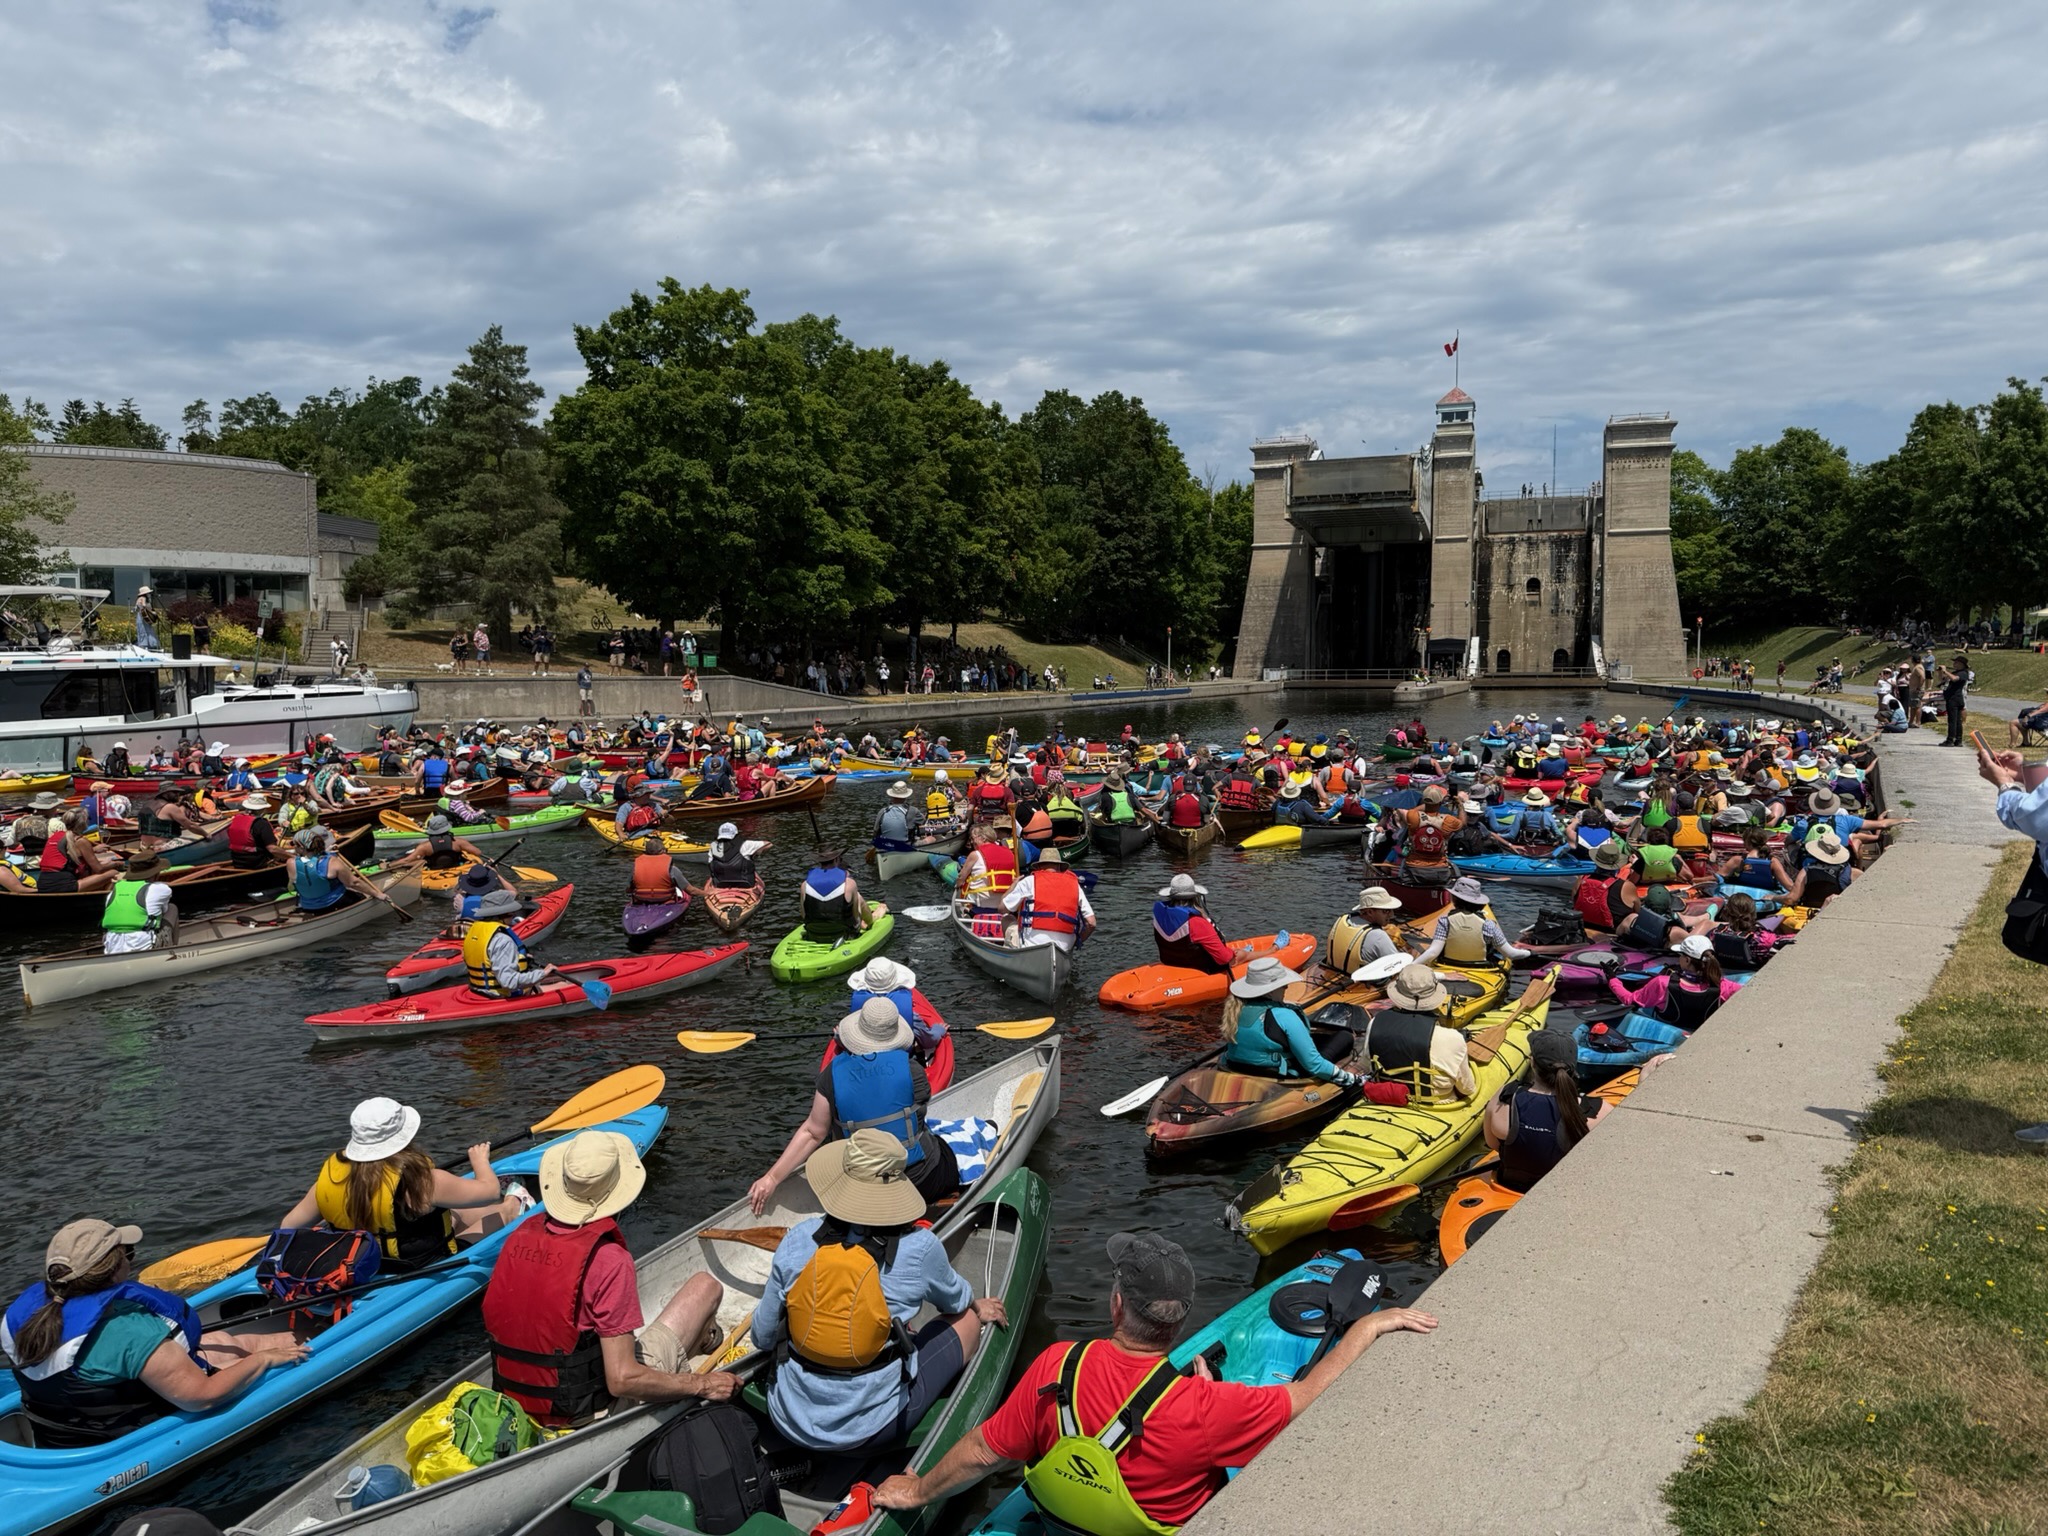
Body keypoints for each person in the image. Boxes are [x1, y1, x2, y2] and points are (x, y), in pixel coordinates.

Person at [873, 1232, 1436, 1526]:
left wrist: (918, 1490)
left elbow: (979, 1453)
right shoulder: (1209, 1406)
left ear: (1117, 1305)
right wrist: (1369, 1328)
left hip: (1062, 1520)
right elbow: (1308, 1395)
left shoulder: (1056, 1364)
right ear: (1181, 1320)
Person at [749, 1129, 1003, 1457]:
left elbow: (762, 1337)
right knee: (967, 1318)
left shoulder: (798, 1238)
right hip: (872, 1429)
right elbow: (956, 1299)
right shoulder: (920, 1247)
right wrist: (977, 1307)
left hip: (788, 1414)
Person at [482, 1127, 734, 1428]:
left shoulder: (519, 1237)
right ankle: (705, 1338)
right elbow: (622, 1380)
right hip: (585, 1414)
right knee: (705, 1287)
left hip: (513, 1398)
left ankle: (702, 1338)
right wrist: (702, 1385)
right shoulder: (610, 1260)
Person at [1, 1218, 307, 1446]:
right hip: (122, 1433)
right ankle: (309, 1338)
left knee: (220, 1342)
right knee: (239, 1353)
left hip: (58, 1428)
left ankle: (290, 1339)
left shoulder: (26, 1316)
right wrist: (263, 1360)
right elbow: (202, 1398)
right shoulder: (127, 1330)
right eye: (127, 1254)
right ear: (116, 1270)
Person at [750, 996, 962, 1214]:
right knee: (942, 1149)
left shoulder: (831, 1075)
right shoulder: (913, 1071)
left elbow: (813, 1133)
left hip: (861, 1188)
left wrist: (771, 1178)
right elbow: (919, 1110)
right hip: (918, 1180)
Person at [279, 1097, 528, 1264]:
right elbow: (490, 1190)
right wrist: (480, 1161)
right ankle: (515, 1205)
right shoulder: (422, 1182)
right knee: (502, 1208)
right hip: (417, 1264)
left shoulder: (330, 1180)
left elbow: (289, 1226)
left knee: (454, 1214)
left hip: (359, 1261)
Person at [1484, 1028, 1614, 1192]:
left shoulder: (1505, 1098)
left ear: (1532, 1063)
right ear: (1573, 1066)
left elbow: (1493, 1144)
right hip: (1561, 1194)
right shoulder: (1599, 1111)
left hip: (1509, 1187)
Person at [1220, 956, 1361, 1086]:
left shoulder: (1235, 1008)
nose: (1287, 987)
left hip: (1238, 1066)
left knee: (1318, 1038)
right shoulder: (1284, 1015)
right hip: (1279, 1072)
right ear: (1269, 991)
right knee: (1344, 1036)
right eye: (1283, 985)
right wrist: (1353, 1079)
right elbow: (1314, 1065)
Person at [1367, 965, 1478, 1101]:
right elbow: (1467, 1088)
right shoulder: (1453, 1038)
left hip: (1386, 1096)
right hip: (1436, 1105)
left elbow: (1368, 1064)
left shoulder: (1374, 1023)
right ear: (1435, 995)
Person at [1608, 933, 1742, 1028]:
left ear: (1687, 960)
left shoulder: (1662, 983)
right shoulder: (1723, 987)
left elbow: (1629, 1000)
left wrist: (1612, 979)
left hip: (1670, 1028)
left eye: (1681, 955)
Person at [462, 889, 567, 997]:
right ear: (503, 914)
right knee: (563, 985)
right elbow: (509, 983)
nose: (513, 916)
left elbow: (487, 958)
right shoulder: (502, 940)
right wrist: (543, 973)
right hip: (499, 996)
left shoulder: (473, 931)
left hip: (478, 991)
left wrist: (519, 957)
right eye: (512, 913)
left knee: (545, 980)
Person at [1415, 876, 1531, 967]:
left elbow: (1433, 953)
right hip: (1481, 969)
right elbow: (1511, 954)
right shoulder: (1489, 925)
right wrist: (1529, 952)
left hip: (1447, 965)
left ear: (1454, 899)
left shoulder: (1444, 921)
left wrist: (1410, 966)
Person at [1001, 844, 1094, 951]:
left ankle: (1012, 954)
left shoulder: (1029, 881)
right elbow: (1091, 923)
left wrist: (1013, 887)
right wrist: (1079, 941)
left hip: (1033, 945)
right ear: (1059, 867)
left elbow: (1002, 908)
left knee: (1007, 918)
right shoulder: (1075, 885)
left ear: (1039, 867)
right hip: (1064, 947)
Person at [1150, 872, 1242, 973]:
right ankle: (1263, 955)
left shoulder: (1159, 917)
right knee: (1242, 955)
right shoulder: (1196, 922)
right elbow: (1224, 959)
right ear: (1195, 897)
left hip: (1171, 963)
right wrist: (1233, 954)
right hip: (1202, 969)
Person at [100, 854, 179, 955]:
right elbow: (162, 911)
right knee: (172, 908)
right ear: (155, 873)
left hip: (112, 946)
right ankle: (174, 951)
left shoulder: (115, 890)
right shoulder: (161, 889)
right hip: (143, 945)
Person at [37, 810, 123, 894]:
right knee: (113, 873)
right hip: (64, 886)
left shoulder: (56, 836)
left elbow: (69, 855)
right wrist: (116, 864)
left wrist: (94, 850)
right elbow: (99, 869)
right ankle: (102, 901)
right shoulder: (81, 841)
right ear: (83, 823)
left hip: (42, 884)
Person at [1327, 885, 1408, 972]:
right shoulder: (1378, 935)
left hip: (1334, 970)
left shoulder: (1343, 919)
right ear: (1369, 912)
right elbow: (1399, 966)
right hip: (1362, 983)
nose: (1392, 915)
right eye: (1386, 911)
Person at [800, 848, 875, 937]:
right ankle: (872, 919)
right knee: (857, 897)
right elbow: (855, 917)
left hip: (813, 932)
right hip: (844, 934)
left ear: (819, 862)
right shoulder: (849, 883)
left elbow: (804, 915)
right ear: (836, 860)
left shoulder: (804, 885)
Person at [874, 781, 922, 851]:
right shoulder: (913, 811)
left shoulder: (882, 811)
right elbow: (923, 821)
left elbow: (875, 831)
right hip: (905, 845)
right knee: (932, 838)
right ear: (905, 797)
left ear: (892, 796)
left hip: (885, 846)